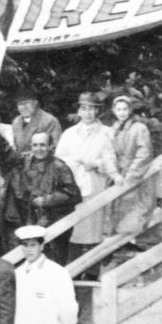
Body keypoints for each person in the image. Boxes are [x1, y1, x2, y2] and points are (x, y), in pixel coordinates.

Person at [0, 123, 81, 262]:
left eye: (42, 145)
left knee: (50, 262)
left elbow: (73, 194)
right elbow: (5, 152)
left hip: (50, 222)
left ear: (50, 147)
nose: (39, 149)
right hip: (24, 220)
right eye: (35, 145)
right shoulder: (23, 162)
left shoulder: (60, 167)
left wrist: (48, 200)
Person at [55, 93, 120, 267]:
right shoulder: (69, 133)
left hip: (97, 182)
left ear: (97, 110)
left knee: (94, 226)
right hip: (73, 183)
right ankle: (73, 269)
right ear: (79, 111)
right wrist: (73, 164)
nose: (88, 113)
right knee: (75, 226)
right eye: (84, 108)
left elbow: (115, 160)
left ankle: (94, 270)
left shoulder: (107, 132)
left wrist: (97, 164)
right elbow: (58, 160)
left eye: (92, 108)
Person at [110, 94, 155, 235]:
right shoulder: (114, 128)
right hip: (118, 174)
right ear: (114, 111)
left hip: (135, 175)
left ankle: (132, 239)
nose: (122, 113)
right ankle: (120, 241)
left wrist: (131, 176)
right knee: (117, 208)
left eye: (125, 109)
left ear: (130, 110)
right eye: (119, 109)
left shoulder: (139, 128)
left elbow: (144, 153)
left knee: (134, 208)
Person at [10, 87, 62, 156]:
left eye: (26, 103)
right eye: (20, 104)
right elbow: (16, 147)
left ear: (35, 103)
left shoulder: (49, 121)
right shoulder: (16, 122)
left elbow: (55, 148)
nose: (23, 107)